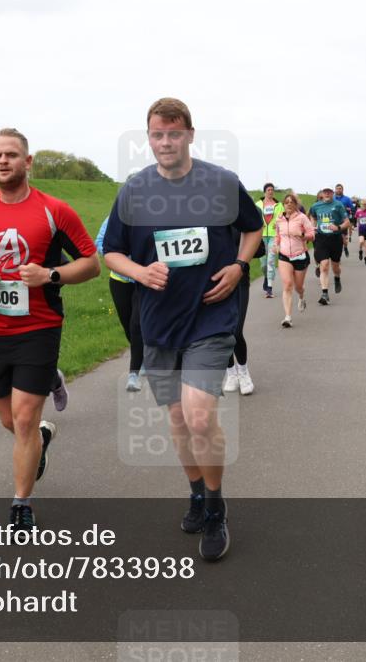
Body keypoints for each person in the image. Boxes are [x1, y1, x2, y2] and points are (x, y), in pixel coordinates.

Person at [104, 98, 262, 561]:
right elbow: (110, 251)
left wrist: (238, 265)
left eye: (174, 133)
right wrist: (138, 271)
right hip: (158, 321)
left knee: (198, 415)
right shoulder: (134, 191)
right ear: (148, 138)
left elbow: (252, 230)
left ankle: (216, 508)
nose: (166, 142)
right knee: (176, 420)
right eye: (157, 134)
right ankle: (196, 491)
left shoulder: (221, 183)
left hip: (211, 317)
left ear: (191, 134)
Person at [0, 128, 100, 531]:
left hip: (41, 326)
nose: (2, 161)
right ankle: (44, 419)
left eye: (11, 154)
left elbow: (90, 263)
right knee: (10, 423)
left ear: (28, 162)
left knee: (25, 419)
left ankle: (21, 503)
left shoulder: (54, 210)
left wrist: (50, 274)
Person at [96, 216, 144, 392]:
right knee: (127, 324)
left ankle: (134, 373)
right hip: (119, 280)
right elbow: (100, 242)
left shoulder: (150, 217)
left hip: (143, 280)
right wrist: (120, 258)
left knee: (136, 323)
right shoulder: (113, 218)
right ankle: (143, 355)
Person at [274, 193, 315, 327]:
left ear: (296, 205)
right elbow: (278, 236)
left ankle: (302, 297)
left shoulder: (302, 218)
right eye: (286, 202)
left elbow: (312, 235)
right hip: (284, 255)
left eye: (292, 202)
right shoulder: (279, 219)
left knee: (298, 287)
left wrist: (302, 234)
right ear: (283, 204)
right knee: (287, 285)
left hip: (300, 255)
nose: (289, 204)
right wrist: (276, 245)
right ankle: (287, 317)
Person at [223, 225, 255, 396]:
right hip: (216, 281)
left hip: (239, 280)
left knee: (235, 330)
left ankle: (243, 371)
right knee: (222, 331)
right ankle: (230, 372)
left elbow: (258, 247)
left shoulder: (241, 218)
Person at [310, 187, 350, 305]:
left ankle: (337, 278)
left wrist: (338, 227)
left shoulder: (338, 205)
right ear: (322, 194)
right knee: (324, 265)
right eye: (325, 192)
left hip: (335, 239)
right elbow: (312, 216)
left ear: (332, 193)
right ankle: (325, 293)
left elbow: (347, 222)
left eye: (329, 192)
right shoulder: (316, 206)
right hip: (322, 239)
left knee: (335, 266)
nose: (327, 194)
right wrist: (313, 225)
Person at [255, 183, 283, 298]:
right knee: (263, 264)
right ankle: (266, 277)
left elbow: (282, 217)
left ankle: (269, 288)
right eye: (268, 190)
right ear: (264, 192)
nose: (270, 192)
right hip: (260, 237)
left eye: (272, 190)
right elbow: (254, 217)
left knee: (271, 260)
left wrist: (278, 223)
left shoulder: (279, 205)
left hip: (273, 236)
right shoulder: (258, 204)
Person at [335, 184, 355, 258]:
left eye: (340, 188)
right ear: (335, 190)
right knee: (335, 240)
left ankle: (345, 247)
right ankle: (337, 256)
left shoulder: (347, 199)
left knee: (343, 240)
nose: (338, 190)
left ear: (342, 190)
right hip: (334, 221)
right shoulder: (333, 198)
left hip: (344, 221)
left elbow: (352, 208)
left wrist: (348, 209)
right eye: (337, 188)